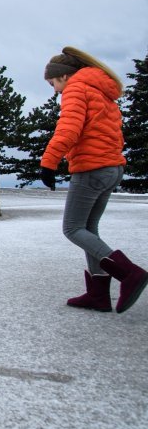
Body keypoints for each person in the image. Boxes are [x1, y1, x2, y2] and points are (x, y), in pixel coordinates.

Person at [41, 46, 148, 313]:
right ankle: (98, 295)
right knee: (88, 229)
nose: (54, 90)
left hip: (91, 169)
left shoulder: (76, 89)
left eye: (53, 83)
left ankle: (129, 273)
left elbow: (69, 129)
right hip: (111, 168)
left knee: (73, 229)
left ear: (64, 76)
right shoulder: (101, 91)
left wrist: (49, 162)